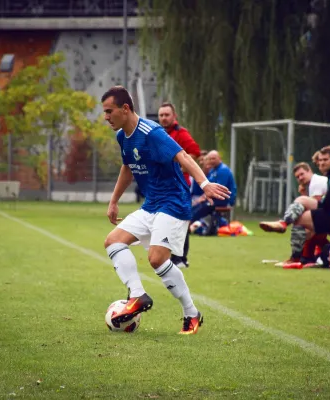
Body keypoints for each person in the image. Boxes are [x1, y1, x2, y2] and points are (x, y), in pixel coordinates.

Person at [101, 86, 230, 334]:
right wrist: (114, 200)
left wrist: (204, 184)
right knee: (113, 242)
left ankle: (192, 314)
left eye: (109, 111)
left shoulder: (152, 132)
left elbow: (183, 156)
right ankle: (137, 295)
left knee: (157, 259)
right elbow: (127, 168)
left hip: (173, 202)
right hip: (151, 204)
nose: (106, 116)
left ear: (125, 109)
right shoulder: (122, 137)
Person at [259, 146, 330, 268]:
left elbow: (327, 202)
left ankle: (297, 256)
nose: (321, 163)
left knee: (300, 219)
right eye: (320, 160)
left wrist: (325, 203)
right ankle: (286, 227)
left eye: (325, 160)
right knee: (301, 202)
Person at [158, 102, 202, 268]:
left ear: (174, 116)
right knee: (166, 220)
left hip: (180, 184)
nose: (163, 118)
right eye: (161, 115)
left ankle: (181, 258)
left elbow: (194, 152)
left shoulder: (180, 133)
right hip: (163, 184)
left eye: (166, 115)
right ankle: (169, 256)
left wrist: (180, 166)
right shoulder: (158, 133)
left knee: (180, 219)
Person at [266, 162, 328, 267]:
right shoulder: (314, 182)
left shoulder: (316, 182)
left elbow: (316, 208)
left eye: (302, 174)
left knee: (301, 223)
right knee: (303, 223)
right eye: (297, 177)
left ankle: (297, 257)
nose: (300, 178)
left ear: (309, 171)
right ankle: (308, 257)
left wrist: (303, 196)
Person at [190, 150, 237, 232]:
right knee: (196, 205)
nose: (211, 161)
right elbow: (206, 187)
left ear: (219, 158)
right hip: (214, 198)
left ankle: (190, 226)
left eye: (214, 158)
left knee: (202, 207)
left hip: (223, 199)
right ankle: (194, 226)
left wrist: (202, 198)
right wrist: (200, 199)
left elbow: (217, 190)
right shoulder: (212, 170)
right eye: (210, 159)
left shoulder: (223, 170)